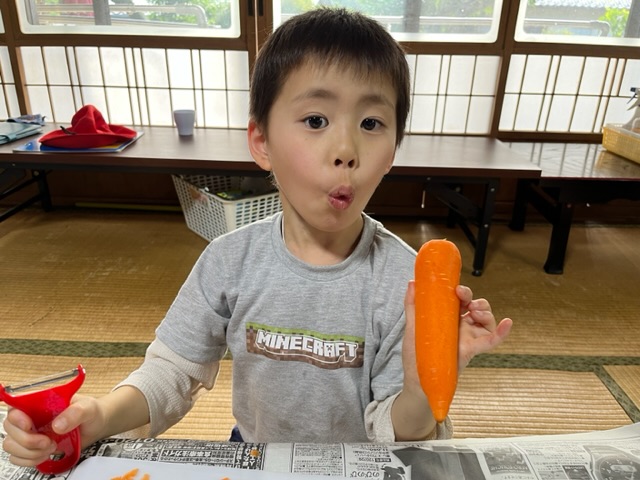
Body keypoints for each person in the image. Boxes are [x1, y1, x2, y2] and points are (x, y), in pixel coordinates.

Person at [2, 7, 512, 468]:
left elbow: (402, 433)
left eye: (372, 122)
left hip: (356, 465)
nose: (346, 149)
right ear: (261, 141)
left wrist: (425, 383)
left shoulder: (405, 282)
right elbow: (172, 371)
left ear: (393, 151)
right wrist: (96, 416)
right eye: (316, 119)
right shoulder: (229, 260)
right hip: (253, 456)